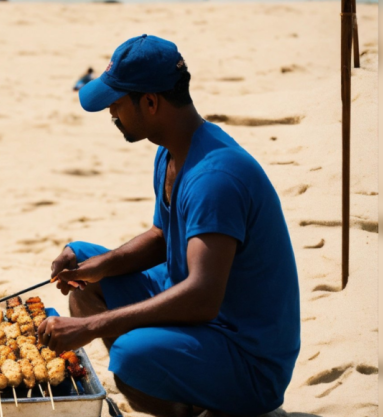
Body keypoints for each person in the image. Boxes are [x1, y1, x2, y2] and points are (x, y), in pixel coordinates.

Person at [36, 35, 300, 417]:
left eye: (116, 102)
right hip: (202, 311)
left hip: (248, 359)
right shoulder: (173, 150)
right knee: (85, 271)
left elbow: (203, 296)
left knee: (130, 360)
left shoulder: (215, 177)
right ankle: (179, 382)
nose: (111, 112)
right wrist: (98, 265)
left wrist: (92, 327)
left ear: (150, 102)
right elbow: (164, 236)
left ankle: (192, 407)